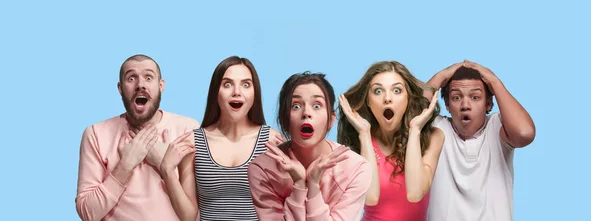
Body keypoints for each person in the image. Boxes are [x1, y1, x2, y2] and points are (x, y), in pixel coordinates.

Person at [75, 54, 199, 221]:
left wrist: (165, 165)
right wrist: (125, 165)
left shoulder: (188, 129)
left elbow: (193, 216)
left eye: (148, 77)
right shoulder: (95, 134)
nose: (141, 85)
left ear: (161, 86)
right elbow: (87, 214)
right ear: (120, 88)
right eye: (131, 78)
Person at [160, 56, 283, 221]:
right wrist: (167, 170)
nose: (237, 92)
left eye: (246, 84)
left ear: (255, 93)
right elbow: (188, 217)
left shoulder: (272, 141)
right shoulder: (193, 143)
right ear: (215, 92)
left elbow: (281, 208)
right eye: (227, 84)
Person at [248, 72, 371, 221]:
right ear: (284, 118)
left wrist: (313, 186)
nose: (306, 113)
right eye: (296, 106)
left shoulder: (356, 168)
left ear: (331, 120)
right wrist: (299, 185)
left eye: (317, 105)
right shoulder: (262, 170)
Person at [426, 60, 536, 221]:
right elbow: (406, 118)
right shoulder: (438, 129)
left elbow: (524, 133)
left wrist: (495, 82)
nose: (465, 105)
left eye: (475, 97)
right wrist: (440, 76)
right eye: (456, 97)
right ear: (447, 105)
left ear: (488, 103)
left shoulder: (498, 127)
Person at [337, 61, 444, 220]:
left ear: (408, 98)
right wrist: (364, 134)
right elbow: (370, 198)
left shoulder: (433, 136)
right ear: (368, 100)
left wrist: (415, 130)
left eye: (397, 90)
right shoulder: (356, 141)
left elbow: (415, 193)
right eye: (378, 91)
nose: (387, 98)